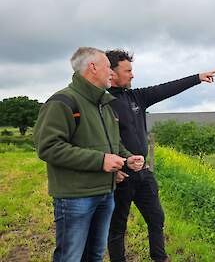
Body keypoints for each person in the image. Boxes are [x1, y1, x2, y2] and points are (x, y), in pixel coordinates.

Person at [105, 49, 215, 262]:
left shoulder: (136, 96)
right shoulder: (102, 103)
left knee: (156, 218)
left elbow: (165, 89)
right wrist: (114, 170)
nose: (132, 75)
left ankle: (160, 258)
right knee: (117, 227)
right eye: (128, 70)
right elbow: (95, 138)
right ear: (112, 72)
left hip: (143, 173)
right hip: (120, 176)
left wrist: (197, 78)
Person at [33, 47, 145, 261]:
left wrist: (126, 158)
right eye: (107, 67)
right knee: (70, 256)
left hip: (106, 193)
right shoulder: (62, 102)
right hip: (76, 197)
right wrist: (100, 161)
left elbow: (111, 143)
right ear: (92, 67)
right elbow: (48, 147)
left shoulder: (104, 103)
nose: (112, 73)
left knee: (94, 255)